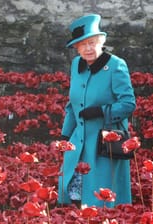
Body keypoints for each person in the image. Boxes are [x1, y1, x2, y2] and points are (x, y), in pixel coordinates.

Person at [57, 14, 136, 208]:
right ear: (76, 48)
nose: (88, 48)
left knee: (99, 202)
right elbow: (72, 105)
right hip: (78, 143)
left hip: (104, 145)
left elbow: (128, 104)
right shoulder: (76, 65)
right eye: (82, 45)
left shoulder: (116, 65)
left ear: (102, 41)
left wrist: (102, 111)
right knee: (73, 197)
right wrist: (66, 136)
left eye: (92, 42)